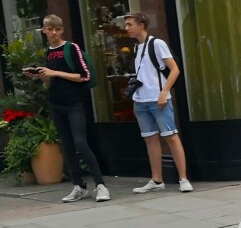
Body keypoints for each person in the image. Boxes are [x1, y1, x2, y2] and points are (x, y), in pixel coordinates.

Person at [23, 15, 111, 203]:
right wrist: (39, 75)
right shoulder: (48, 52)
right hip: (56, 103)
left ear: (62, 30)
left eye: (57, 29)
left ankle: (101, 185)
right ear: (44, 30)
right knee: (67, 146)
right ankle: (78, 186)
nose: (54, 33)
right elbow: (51, 80)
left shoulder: (71, 48)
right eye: (50, 29)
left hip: (74, 103)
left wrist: (54, 72)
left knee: (80, 143)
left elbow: (83, 76)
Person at [121, 13, 193, 193]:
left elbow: (174, 69)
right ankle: (157, 180)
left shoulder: (156, 44)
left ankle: (183, 178)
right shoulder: (137, 47)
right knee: (150, 139)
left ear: (141, 25)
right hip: (141, 101)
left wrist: (164, 92)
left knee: (171, 137)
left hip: (158, 99)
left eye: (130, 24)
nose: (126, 28)